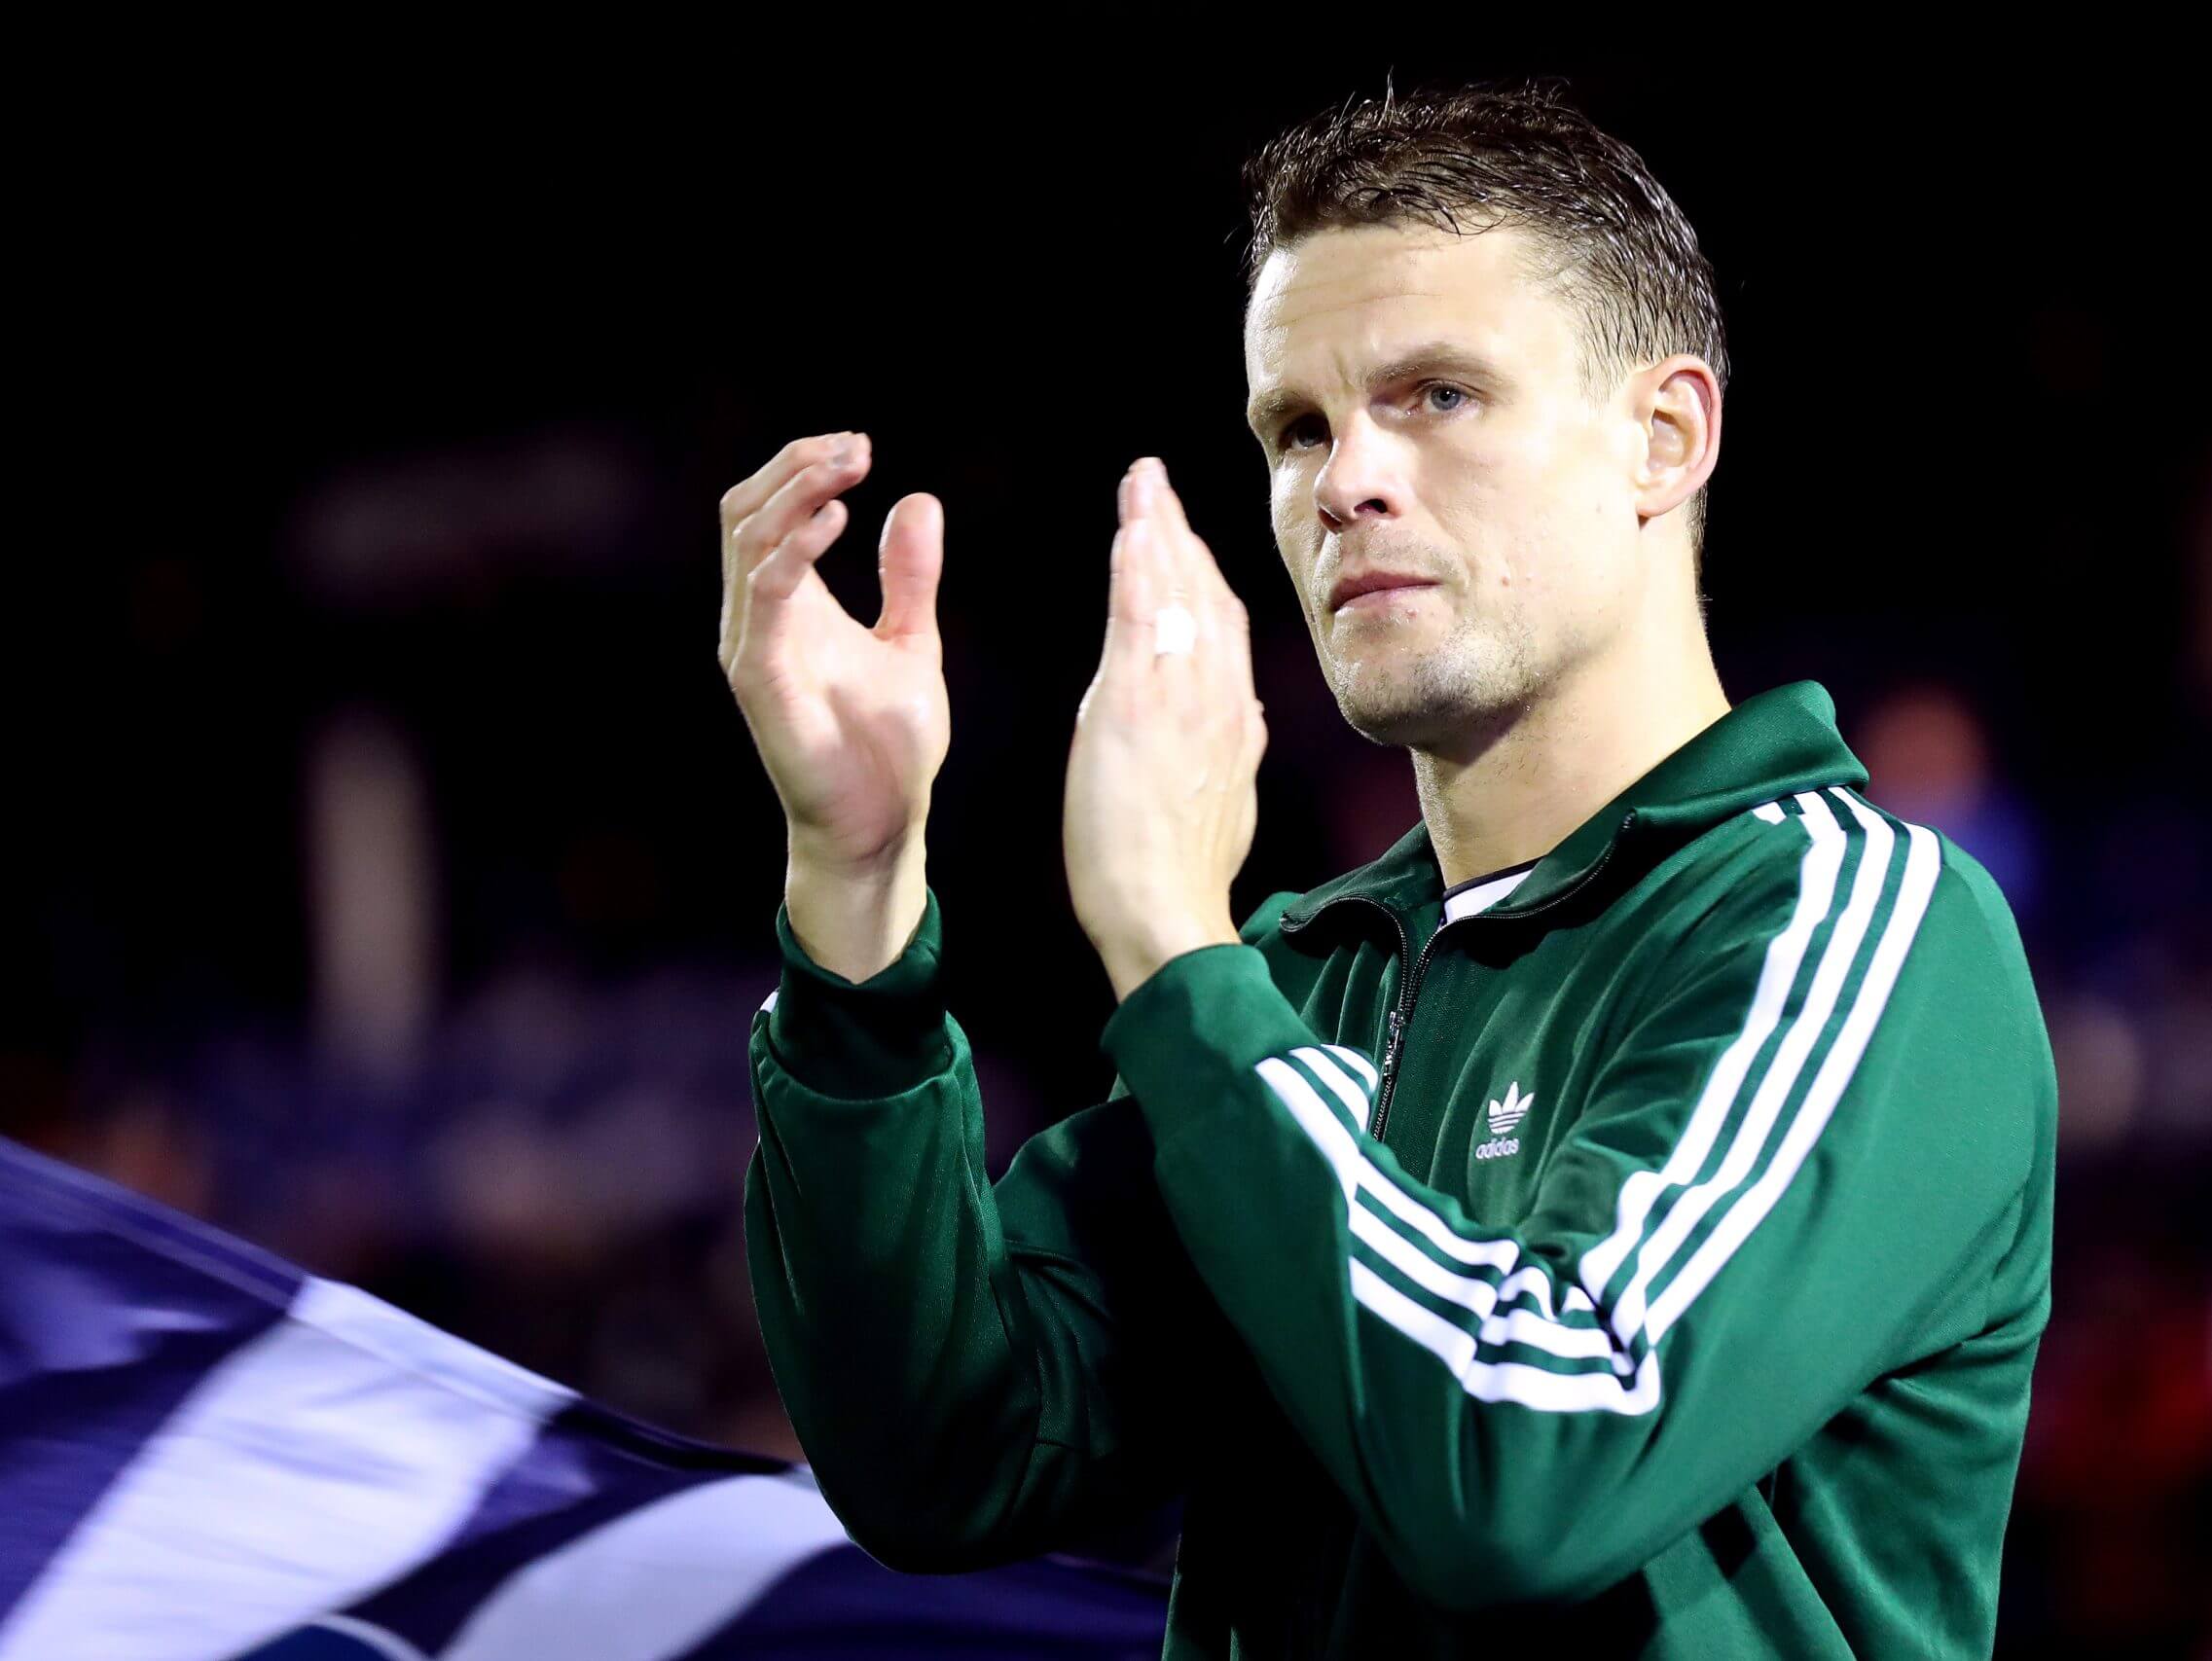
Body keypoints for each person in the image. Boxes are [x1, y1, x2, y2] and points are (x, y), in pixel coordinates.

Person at [718, 79, 2055, 1659]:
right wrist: (858, 895)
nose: (1341, 482)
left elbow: (1524, 1465)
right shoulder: (1301, 982)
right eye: (1296, 426)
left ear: (1666, 436)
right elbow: (947, 1456)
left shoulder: (1852, 926)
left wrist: (1171, 945)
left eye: (1436, 395)